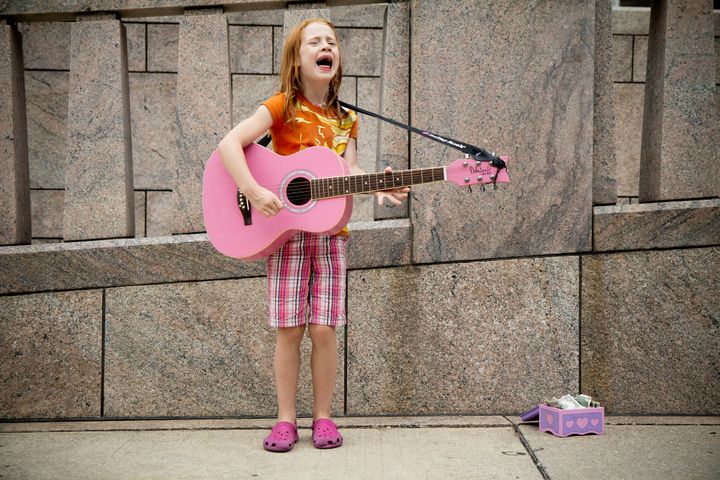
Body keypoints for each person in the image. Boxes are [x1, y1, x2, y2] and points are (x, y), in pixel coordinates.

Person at [217, 18, 408, 452]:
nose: (326, 46)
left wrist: (376, 183)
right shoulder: (282, 106)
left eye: (332, 41)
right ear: (297, 60)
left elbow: (349, 170)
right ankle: (286, 419)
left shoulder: (347, 119)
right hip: (285, 233)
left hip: (331, 235)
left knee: (324, 329)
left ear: (336, 59)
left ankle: (323, 417)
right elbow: (230, 144)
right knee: (289, 329)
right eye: (315, 42)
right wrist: (252, 188)